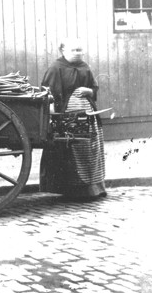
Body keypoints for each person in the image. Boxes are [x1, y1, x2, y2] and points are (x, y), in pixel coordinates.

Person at [40, 38, 107, 199]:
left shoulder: (85, 67)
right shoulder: (56, 68)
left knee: (90, 148)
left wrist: (88, 91)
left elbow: (94, 87)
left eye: (80, 50)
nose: (78, 53)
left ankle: (93, 188)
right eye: (74, 50)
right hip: (67, 117)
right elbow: (48, 93)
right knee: (73, 149)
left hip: (88, 114)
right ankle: (73, 190)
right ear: (63, 51)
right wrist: (52, 118)